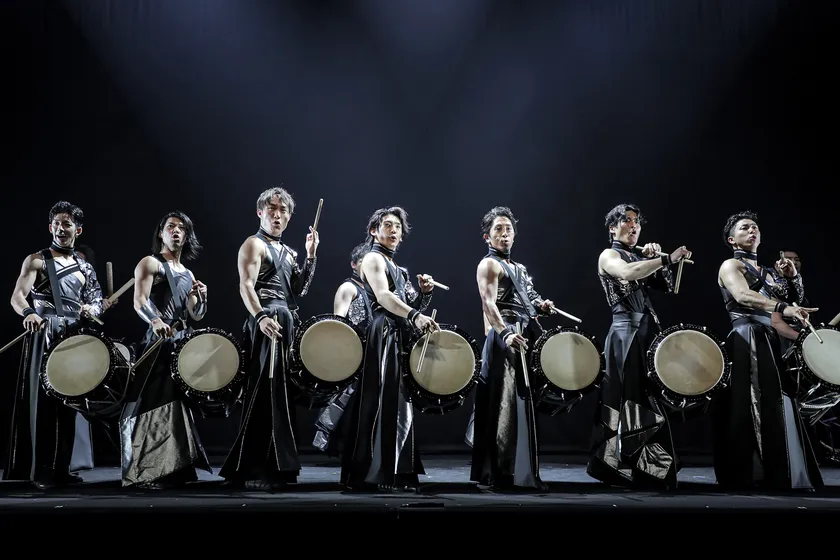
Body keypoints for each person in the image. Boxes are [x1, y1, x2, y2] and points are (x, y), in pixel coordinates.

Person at [219, 186, 319, 491]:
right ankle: (254, 469)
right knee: (265, 392)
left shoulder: (289, 252)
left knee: (283, 394)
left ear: (289, 217)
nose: (277, 215)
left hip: (285, 322)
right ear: (260, 212)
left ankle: (279, 467)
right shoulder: (254, 244)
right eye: (272, 209)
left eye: (283, 210)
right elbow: (246, 285)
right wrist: (261, 317)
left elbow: (299, 290)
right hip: (267, 321)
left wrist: (311, 255)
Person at [714, 210, 823, 491]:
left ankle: (779, 471)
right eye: (744, 228)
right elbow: (743, 295)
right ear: (732, 239)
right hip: (746, 336)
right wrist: (783, 306)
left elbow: (796, 302)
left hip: (768, 338)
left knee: (776, 400)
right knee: (751, 401)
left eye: (754, 227)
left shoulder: (769, 273)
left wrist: (793, 277)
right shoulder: (731, 265)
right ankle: (753, 473)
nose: (752, 230)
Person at [587, 203, 691, 491]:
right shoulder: (609, 255)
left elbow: (669, 287)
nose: (634, 225)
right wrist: (666, 258)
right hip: (625, 333)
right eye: (627, 220)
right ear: (613, 228)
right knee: (630, 396)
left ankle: (649, 468)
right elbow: (627, 273)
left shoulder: (637, 256)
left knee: (647, 396)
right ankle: (627, 465)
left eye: (637, 221)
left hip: (645, 333)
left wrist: (656, 258)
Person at [3, 201, 104, 489]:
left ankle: (62, 468)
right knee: (43, 402)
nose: (61, 228)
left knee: (70, 401)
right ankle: (41, 470)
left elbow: (96, 300)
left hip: (74, 336)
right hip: (45, 332)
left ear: (78, 230)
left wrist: (91, 309)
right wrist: (29, 313)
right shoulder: (36, 260)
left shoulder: (85, 266)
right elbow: (17, 296)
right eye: (57, 223)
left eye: (67, 223)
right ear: (50, 227)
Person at [339, 206, 437, 492]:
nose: (394, 230)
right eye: (388, 225)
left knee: (396, 401)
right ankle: (379, 473)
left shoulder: (397, 267)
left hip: (396, 332)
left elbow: (407, 305)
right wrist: (415, 315)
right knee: (384, 400)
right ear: (374, 231)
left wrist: (424, 295)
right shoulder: (373, 258)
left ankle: (393, 472)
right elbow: (383, 297)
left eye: (398, 227)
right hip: (384, 332)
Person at [119, 211, 212, 489]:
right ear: (161, 233)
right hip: (158, 340)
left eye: (182, 228)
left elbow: (196, 315)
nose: (176, 231)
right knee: (155, 403)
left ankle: (176, 468)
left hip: (181, 341)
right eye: (170, 226)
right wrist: (156, 321)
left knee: (177, 404)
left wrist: (202, 298)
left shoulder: (188, 273)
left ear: (187, 235)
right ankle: (150, 471)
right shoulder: (151, 263)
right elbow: (139, 300)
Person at [470, 206, 557, 491]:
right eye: (498, 229)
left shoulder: (519, 268)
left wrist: (542, 306)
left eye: (508, 229)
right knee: (503, 403)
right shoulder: (489, 264)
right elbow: (488, 303)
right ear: (487, 236)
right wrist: (505, 333)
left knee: (521, 402)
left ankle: (519, 472)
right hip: (505, 335)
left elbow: (529, 299)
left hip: (522, 334)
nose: (505, 233)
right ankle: (501, 473)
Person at [312, 242, 371, 457]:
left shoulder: (377, 290)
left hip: (371, 352)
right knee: (347, 400)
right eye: (364, 261)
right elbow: (338, 323)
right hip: (353, 352)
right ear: (354, 264)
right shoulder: (349, 288)